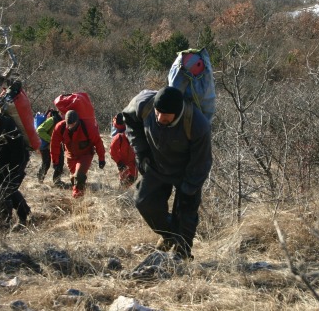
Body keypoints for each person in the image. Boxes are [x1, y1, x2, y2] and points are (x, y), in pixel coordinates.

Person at [121, 86, 212, 259]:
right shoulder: (144, 104)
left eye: (166, 116)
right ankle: (169, 235)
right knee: (144, 203)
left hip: (186, 171)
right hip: (156, 164)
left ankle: (182, 256)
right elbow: (130, 121)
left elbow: (202, 162)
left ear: (177, 113)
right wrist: (141, 153)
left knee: (186, 214)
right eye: (158, 113)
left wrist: (189, 189)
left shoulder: (197, 124)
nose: (160, 118)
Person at [50, 109, 106, 198]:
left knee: (79, 175)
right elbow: (54, 145)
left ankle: (78, 198)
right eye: (68, 125)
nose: (70, 127)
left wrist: (101, 159)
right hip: (70, 155)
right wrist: (55, 161)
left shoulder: (89, 128)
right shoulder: (60, 127)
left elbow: (98, 143)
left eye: (72, 125)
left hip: (85, 155)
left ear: (77, 121)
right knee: (73, 178)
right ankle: (79, 192)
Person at [109, 113, 137, 188]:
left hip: (131, 159)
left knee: (133, 177)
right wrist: (119, 162)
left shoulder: (135, 134)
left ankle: (123, 189)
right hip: (122, 159)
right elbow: (112, 151)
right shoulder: (119, 137)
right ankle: (121, 191)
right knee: (124, 176)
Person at [35, 108, 62, 184]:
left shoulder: (65, 121)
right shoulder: (53, 120)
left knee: (60, 162)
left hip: (55, 145)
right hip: (45, 145)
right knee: (46, 163)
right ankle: (40, 179)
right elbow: (39, 130)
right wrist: (51, 140)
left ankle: (57, 181)